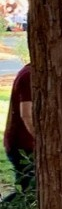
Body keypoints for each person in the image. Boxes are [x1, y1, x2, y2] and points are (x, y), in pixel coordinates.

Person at [3, 63, 34, 196]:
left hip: (27, 144)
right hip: (23, 146)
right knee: (27, 192)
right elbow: (26, 115)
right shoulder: (29, 75)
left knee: (28, 191)